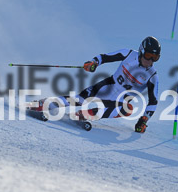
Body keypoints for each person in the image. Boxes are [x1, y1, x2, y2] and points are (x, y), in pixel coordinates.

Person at [32, 36, 161, 133]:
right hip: (108, 86)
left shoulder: (152, 75)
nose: (150, 61)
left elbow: (153, 101)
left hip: (119, 101)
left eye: (155, 58)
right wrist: (93, 63)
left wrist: (144, 119)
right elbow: (104, 57)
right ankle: (44, 104)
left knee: (128, 109)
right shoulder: (128, 54)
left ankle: (83, 115)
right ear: (141, 51)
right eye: (148, 55)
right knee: (80, 99)